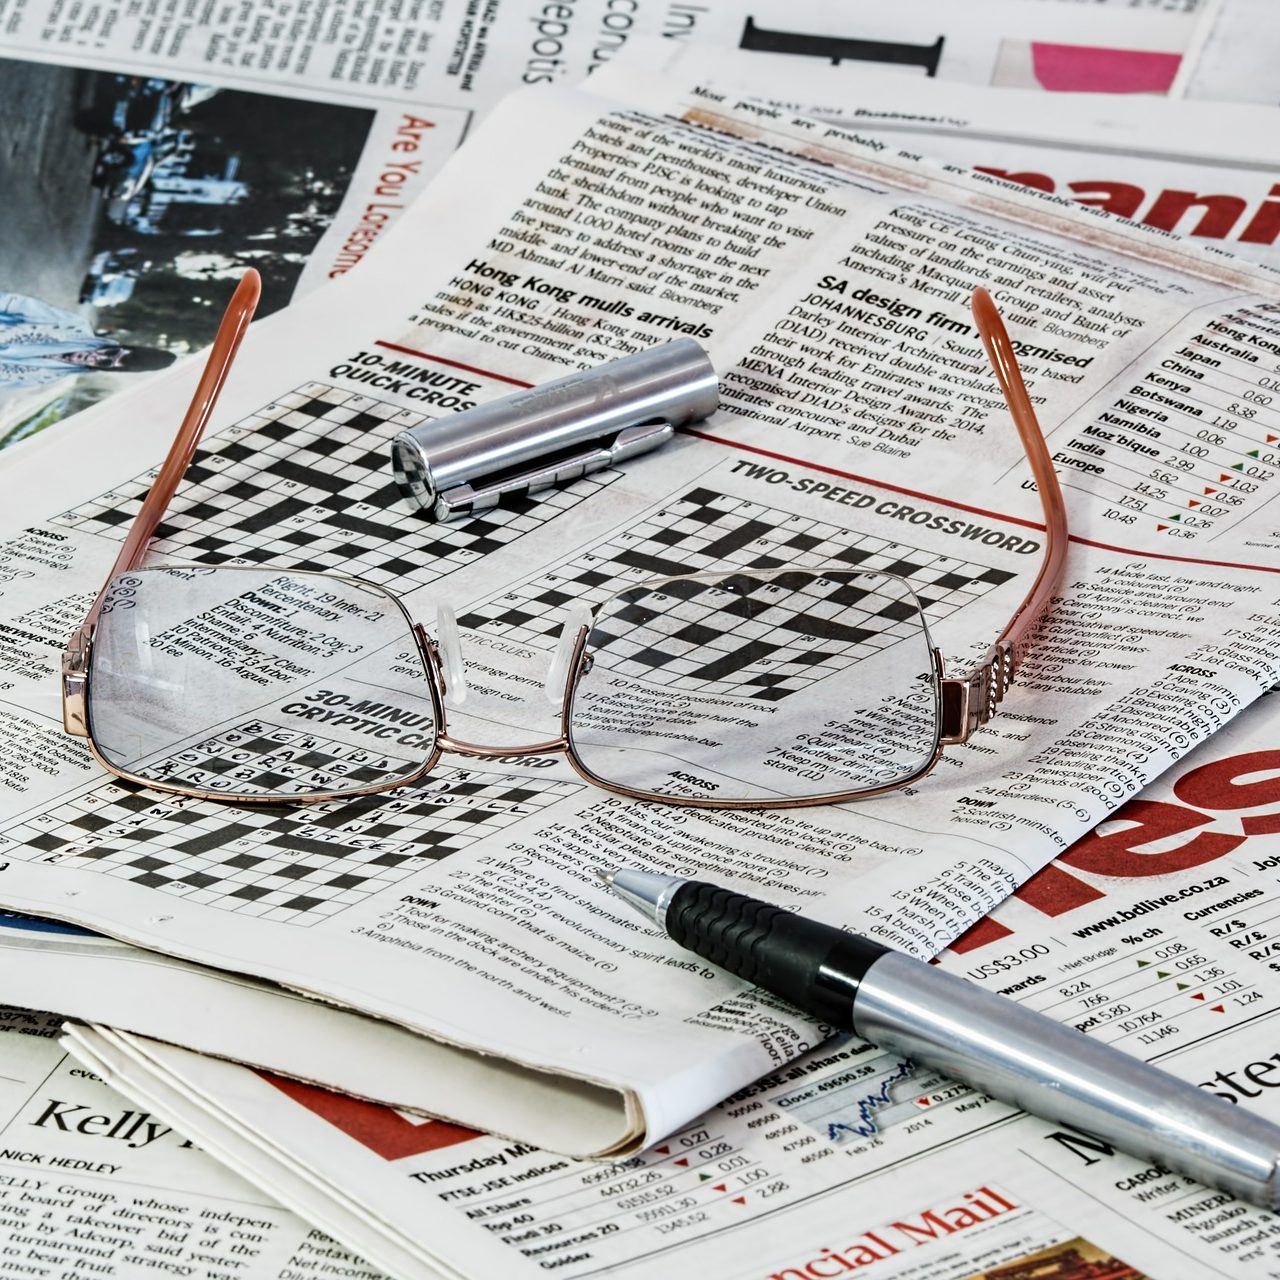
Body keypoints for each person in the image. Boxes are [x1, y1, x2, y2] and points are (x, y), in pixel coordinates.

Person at [0, 291, 176, 391]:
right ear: (117, 346)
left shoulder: (47, 377)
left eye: (108, 363)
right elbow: (16, 304)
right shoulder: (72, 326)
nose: (97, 358)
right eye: (110, 354)